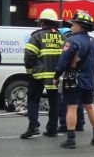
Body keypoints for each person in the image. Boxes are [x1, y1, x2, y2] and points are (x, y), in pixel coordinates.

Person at [53, 10, 94, 149]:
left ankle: (71, 140)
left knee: (72, 107)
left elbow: (63, 61)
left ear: (79, 26)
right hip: (89, 80)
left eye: (73, 24)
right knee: (90, 106)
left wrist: (56, 76)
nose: (71, 27)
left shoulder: (72, 40)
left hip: (74, 80)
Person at [20, 9, 65, 139]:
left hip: (39, 75)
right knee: (54, 102)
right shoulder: (63, 37)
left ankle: (33, 127)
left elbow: (29, 56)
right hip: (56, 77)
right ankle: (52, 129)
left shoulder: (37, 36)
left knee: (33, 100)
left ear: (42, 23)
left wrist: (30, 71)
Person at [57, 26, 84, 133]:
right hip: (79, 75)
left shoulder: (68, 43)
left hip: (68, 75)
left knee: (65, 101)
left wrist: (56, 75)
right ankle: (80, 124)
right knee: (78, 102)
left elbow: (63, 61)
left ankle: (64, 124)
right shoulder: (80, 42)